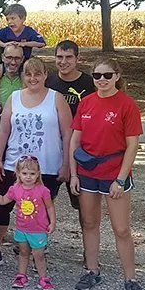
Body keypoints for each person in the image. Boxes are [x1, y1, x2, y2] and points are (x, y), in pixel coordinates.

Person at [69, 58, 145, 290]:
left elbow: (132, 144)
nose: (101, 80)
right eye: (96, 76)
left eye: (107, 75)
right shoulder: (86, 103)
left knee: (121, 228)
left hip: (115, 173)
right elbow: (75, 140)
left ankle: (130, 278)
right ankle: (92, 270)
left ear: (117, 76)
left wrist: (121, 179)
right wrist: (73, 174)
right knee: (89, 223)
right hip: (88, 172)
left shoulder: (127, 105)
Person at [0, 57, 72, 271]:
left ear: (45, 75)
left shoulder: (56, 98)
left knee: (39, 211)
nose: (33, 78)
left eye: (38, 74)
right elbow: (4, 130)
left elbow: (68, 133)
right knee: (2, 207)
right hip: (15, 163)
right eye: (29, 74)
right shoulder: (14, 98)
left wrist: (67, 164)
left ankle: (37, 254)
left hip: (47, 166)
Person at [45, 40, 96, 223]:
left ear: (77, 59)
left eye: (68, 57)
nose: (63, 61)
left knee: (83, 203)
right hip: (52, 148)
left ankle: (88, 247)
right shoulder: (48, 81)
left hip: (81, 149)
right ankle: (36, 244)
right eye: (59, 57)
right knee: (43, 199)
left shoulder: (90, 84)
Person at [0, 155, 56, 290]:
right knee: (23, 252)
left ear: (38, 174)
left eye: (32, 173)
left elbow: (50, 207)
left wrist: (53, 222)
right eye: (25, 173)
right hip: (22, 228)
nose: (28, 177)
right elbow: (2, 201)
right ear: (18, 173)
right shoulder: (15, 189)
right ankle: (21, 275)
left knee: (39, 254)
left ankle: (43, 278)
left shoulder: (43, 190)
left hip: (38, 229)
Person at [0, 44, 24, 147]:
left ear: (22, 59)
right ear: (3, 57)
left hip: (20, 126)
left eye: (17, 58)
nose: (13, 62)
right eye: (9, 58)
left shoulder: (27, 79)